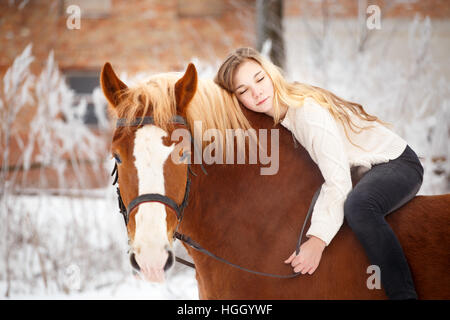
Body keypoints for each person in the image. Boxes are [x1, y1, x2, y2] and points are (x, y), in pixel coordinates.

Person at [214, 47, 423, 300]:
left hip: (394, 162)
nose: (256, 92)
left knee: (359, 206)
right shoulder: (274, 120)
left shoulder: (305, 114)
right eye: (243, 90)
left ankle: (404, 295)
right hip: (363, 170)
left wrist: (317, 240)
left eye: (259, 79)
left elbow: (337, 181)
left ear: (270, 74)